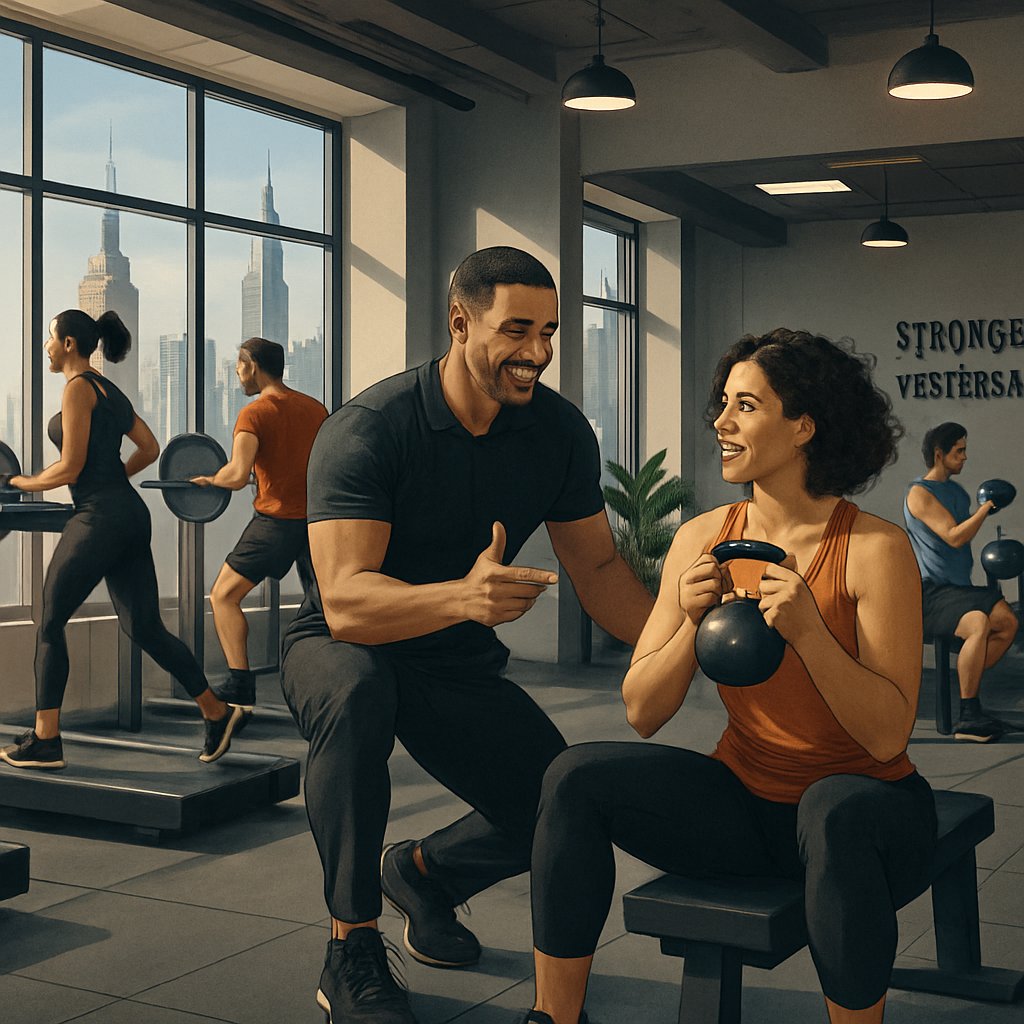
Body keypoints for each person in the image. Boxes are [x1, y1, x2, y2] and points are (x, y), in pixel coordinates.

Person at [280, 246, 655, 1024]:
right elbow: (348, 602)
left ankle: (424, 873)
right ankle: (350, 950)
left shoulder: (556, 432)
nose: (538, 353)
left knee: (560, 805)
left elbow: (601, 572)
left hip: (451, 657)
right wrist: (461, 595)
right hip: (347, 644)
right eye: (518, 330)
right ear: (460, 322)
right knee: (357, 693)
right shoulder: (371, 429)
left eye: (550, 332)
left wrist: (681, 644)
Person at [522, 329, 938, 1024]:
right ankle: (554, 1017)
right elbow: (642, 712)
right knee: (574, 775)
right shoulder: (702, 538)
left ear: (803, 426)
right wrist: (687, 621)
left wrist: (808, 632)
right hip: (746, 807)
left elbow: (888, 736)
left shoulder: (872, 548)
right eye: (723, 403)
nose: (720, 421)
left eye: (745, 405)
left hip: (869, 816)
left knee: (831, 808)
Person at [0, 309, 247, 771]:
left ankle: (46, 740)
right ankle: (217, 710)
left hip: (99, 517)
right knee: (146, 627)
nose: (47, 348)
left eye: (50, 340)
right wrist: (114, 480)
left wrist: (18, 482)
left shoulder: (77, 388)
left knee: (50, 623)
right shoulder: (106, 388)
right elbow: (149, 448)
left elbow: (70, 468)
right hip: (130, 515)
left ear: (70, 344)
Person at [191, 337, 327, 709]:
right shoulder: (316, 409)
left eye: (239, 364)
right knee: (327, 607)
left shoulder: (254, 413)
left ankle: (240, 685)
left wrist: (210, 479)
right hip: (315, 523)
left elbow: (235, 475)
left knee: (223, 595)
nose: (236, 372)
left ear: (252, 365)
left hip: (276, 522)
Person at [903, 423, 1019, 742]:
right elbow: (954, 537)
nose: (965, 457)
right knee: (979, 624)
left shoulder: (957, 492)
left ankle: (968, 689)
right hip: (931, 592)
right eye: (959, 451)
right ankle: (969, 716)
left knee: (1008, 622)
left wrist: (980, 508)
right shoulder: (919, 493)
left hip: (958, 590)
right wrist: (986, 508)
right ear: (940, 454)